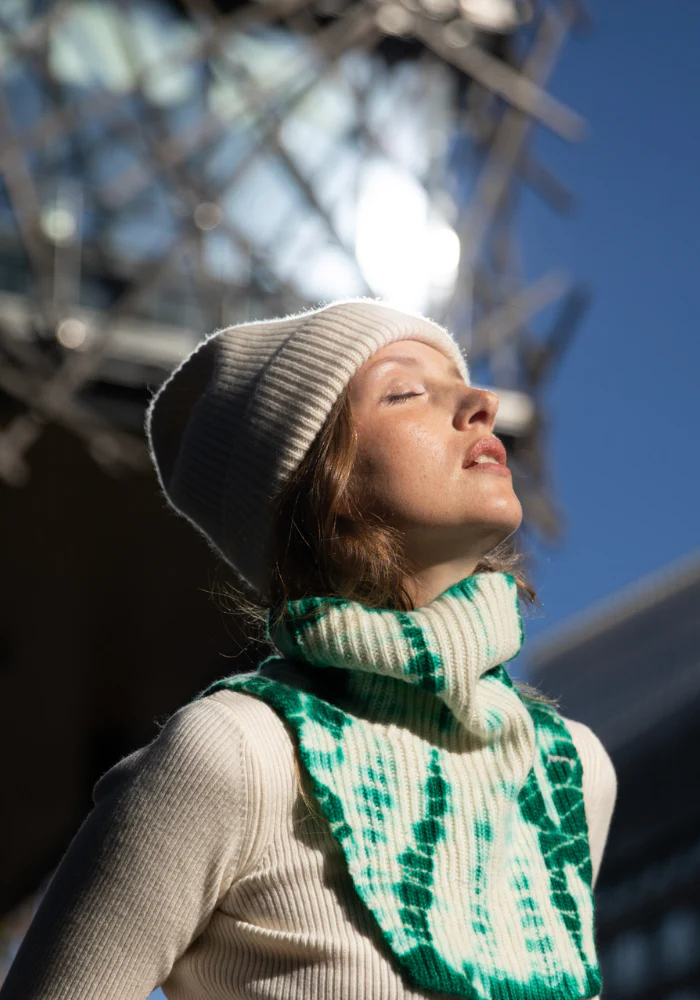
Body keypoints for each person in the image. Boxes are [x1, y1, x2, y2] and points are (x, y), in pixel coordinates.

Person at [0, 297, 617, 1000]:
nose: (481, 402)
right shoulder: (236, 754)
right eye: (406, 390)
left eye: (463, 379)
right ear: (321, 489)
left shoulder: (570, 772)